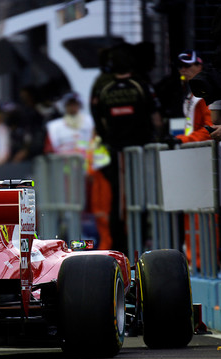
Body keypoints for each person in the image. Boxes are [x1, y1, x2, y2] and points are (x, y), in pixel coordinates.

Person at [95, 47, 161, 253]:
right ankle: (139, 245)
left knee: (117, 200)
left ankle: (119, 246)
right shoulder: (141, 86)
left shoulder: (104, 91)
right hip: (141, 152)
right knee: (140, 198)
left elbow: (101, 122)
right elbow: (156, 119)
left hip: (116, 153)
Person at [45, 92, 112, 249]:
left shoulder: (90, 123)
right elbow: (48, 152)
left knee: (92, 214)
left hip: (89, 178)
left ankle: (91, 246)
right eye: (69, 104)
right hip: (64, 181)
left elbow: (97, 145)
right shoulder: (54, 127)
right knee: (68, 215)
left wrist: (92, 169)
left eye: (75, 104)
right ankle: (70, 246)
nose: (72, 107)